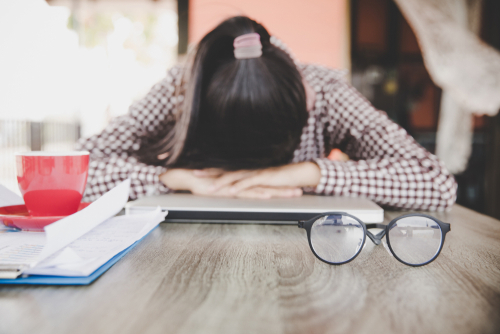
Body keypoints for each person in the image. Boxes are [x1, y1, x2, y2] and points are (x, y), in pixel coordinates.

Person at [76, 16, 457, 211]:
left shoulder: (324, 91)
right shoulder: (184, 88)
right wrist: (175, 178)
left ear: (305, 103)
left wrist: (305, 172)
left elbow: (436, 182)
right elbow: (75, 170)